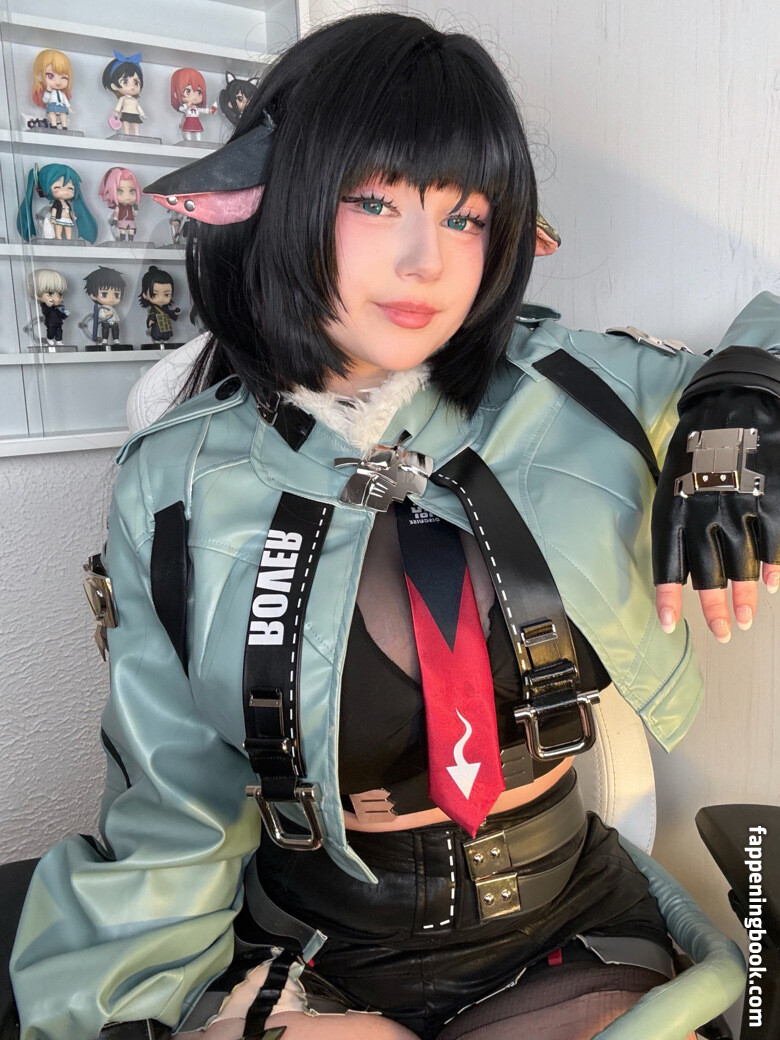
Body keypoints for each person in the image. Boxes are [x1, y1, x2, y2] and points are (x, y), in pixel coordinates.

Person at [10, 12, 780, 1040]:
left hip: (563, 926)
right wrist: (131, 1009)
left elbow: (762, 338)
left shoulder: (582, 392)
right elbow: (176, 802)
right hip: (316, 949)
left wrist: (744, 405)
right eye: (376, 202)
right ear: (271, 196)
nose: (427, 261)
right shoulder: (177, 480)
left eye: (466, 217)